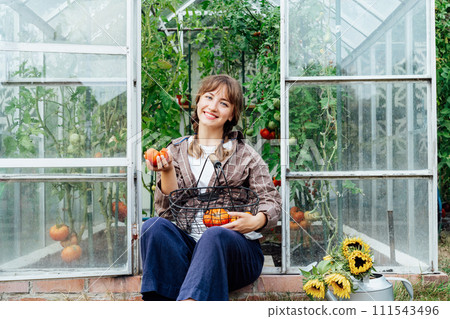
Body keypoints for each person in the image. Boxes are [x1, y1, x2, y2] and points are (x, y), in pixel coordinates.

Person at [140, 74, 281, 301]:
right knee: (153, 227)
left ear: (232, 114)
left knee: (215, 234)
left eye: (223, 103)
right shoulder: (175, 150)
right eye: (209, 97)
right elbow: (166, 212)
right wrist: (166, 171)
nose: (213, 107)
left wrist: (256, 221)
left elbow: (272, 201)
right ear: (198, 102)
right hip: (187, 252)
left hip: (233, 253)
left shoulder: (246, 155)